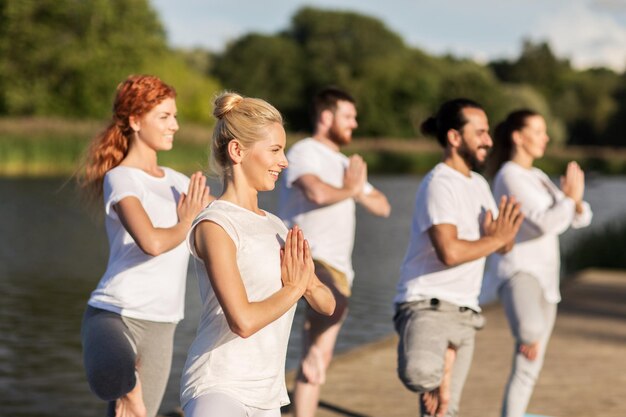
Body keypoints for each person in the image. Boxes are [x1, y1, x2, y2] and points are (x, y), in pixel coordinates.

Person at [180, 92, 335, 417]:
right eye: (275, 150)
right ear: (237, 151)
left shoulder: (277, 226)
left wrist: (308, 285)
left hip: (268, 396)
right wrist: (294, 289)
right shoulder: (215, 224)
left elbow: (327, 304)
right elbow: (243, 321)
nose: (285, 161)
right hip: (219, 388)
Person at [78, 74, 213, 417]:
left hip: (163, 322)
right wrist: (186, 221)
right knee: (118, 384)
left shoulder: (179, 182)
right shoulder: (121, 177)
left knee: (138, 415)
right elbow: (151, 242)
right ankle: (127, 388)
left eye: (175, 116)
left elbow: (213, 234)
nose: (175, 126)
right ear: (136, 121)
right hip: (114, 313)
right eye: (165, 117)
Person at [393, 98, 524, 417]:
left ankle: (445, 372)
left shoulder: (479, 184)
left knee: (444, 411)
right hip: (428, 305)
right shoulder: (439, 184)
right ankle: (443, 370)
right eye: (479, 132)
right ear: (454, 138)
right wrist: (494, 239)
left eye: (488, 132)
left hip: (467, 311)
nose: (489, 141)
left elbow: (500, 246)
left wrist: (502, 236)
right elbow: (449, 252)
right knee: (422, 374)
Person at [278, 87, 391, 417]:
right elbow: (314, 191)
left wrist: (357, 190)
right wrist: (352, 190)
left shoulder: (344, 163)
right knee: (332, 309)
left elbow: (382, 205)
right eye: (348, 116)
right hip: (305, 254)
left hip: (341, 266)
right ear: (326, 117)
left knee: (317, 364)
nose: (354, 123)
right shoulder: (304, 151)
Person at [482, 110, 592, 417]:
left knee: (530, 364)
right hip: (519, 272)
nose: (546, 137)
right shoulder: (509, 176)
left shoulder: (538, 176)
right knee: (530, 334)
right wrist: (570, 199)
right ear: (518, 137)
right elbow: (546, 222)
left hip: (546, 280)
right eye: (539, 131)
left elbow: (582, 217)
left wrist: (574, 200)